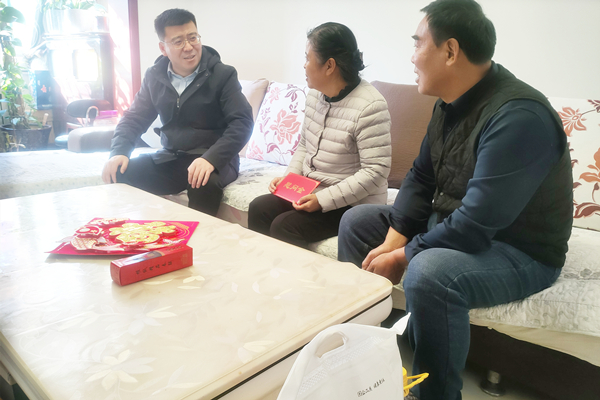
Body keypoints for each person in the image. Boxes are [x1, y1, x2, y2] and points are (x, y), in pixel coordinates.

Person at [337, 1, 573, 399]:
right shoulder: (448, 102)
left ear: (450, 51)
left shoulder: (519, 117)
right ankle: (365, 357)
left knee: (429, 270)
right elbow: (421, 177)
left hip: (519, 249)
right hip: (458, 225)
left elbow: (477, 223)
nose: (412, 56)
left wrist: (404, 256)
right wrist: (394, 240)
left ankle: (434, 393)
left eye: (417, 43)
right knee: (357, 222)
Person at [247, 22, 392, 248]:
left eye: (307, 58)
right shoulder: (315, 95)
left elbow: (375, 171)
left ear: (329, 65)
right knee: (259, 208)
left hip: (353, 203)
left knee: (284, 226)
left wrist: (322, 200)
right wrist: (289, 179)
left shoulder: (371, 106)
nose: (304, 65)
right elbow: (305, 144)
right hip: (312, 189)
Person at [101, 9, 253, 216]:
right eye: (178, 41)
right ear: (163, 48)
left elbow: (242, 122)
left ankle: (199, 236)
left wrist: (210, 158)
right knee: (118, 172)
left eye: (193, 37)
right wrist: (119, 150)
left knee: (203, 182)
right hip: (173, 157)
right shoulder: (155, 76)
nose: (189, 47)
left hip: (214, 159)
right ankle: (144, 233)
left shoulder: (222, 74)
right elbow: (135, 118)